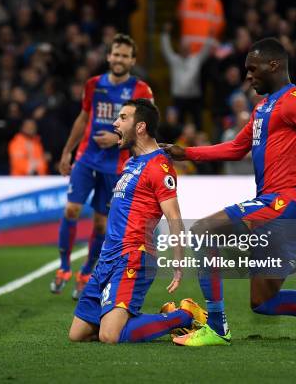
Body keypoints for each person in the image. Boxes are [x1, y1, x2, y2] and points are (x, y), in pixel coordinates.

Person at [162, 38, 296, 346]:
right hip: (279, 207)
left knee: (203, 232)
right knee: (264, 302)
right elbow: (236, 148)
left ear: (274, 65)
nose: (248, 76)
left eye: (253, 69)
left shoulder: (293, 101)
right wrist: (187, 153)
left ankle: (216, 327)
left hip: (283, 203)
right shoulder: (262, 108)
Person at [68, 98, 206, 344]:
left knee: (109, 336)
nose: (115, 123)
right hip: (108, 256)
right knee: (78, 334)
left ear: (140, 127)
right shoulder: (131, 163)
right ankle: (146, 319)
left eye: (122, 118)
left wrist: (178, 260)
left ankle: (184, 316)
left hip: (134, 255)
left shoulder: (159, 166)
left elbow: (174, 216)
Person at [52, 34, 153, 300]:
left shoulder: (141, 90)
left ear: (132, 60)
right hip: (86, 158)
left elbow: (146, 126)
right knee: (71, 209)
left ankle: (85, 272)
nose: (119, 59)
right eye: (115, 54)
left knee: (100, 225)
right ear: (108, 57)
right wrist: (67, 151)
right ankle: (63, 267)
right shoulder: (93, 85)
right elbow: (83, 118)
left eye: (125, 55)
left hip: (116, 165)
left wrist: (118, 138)